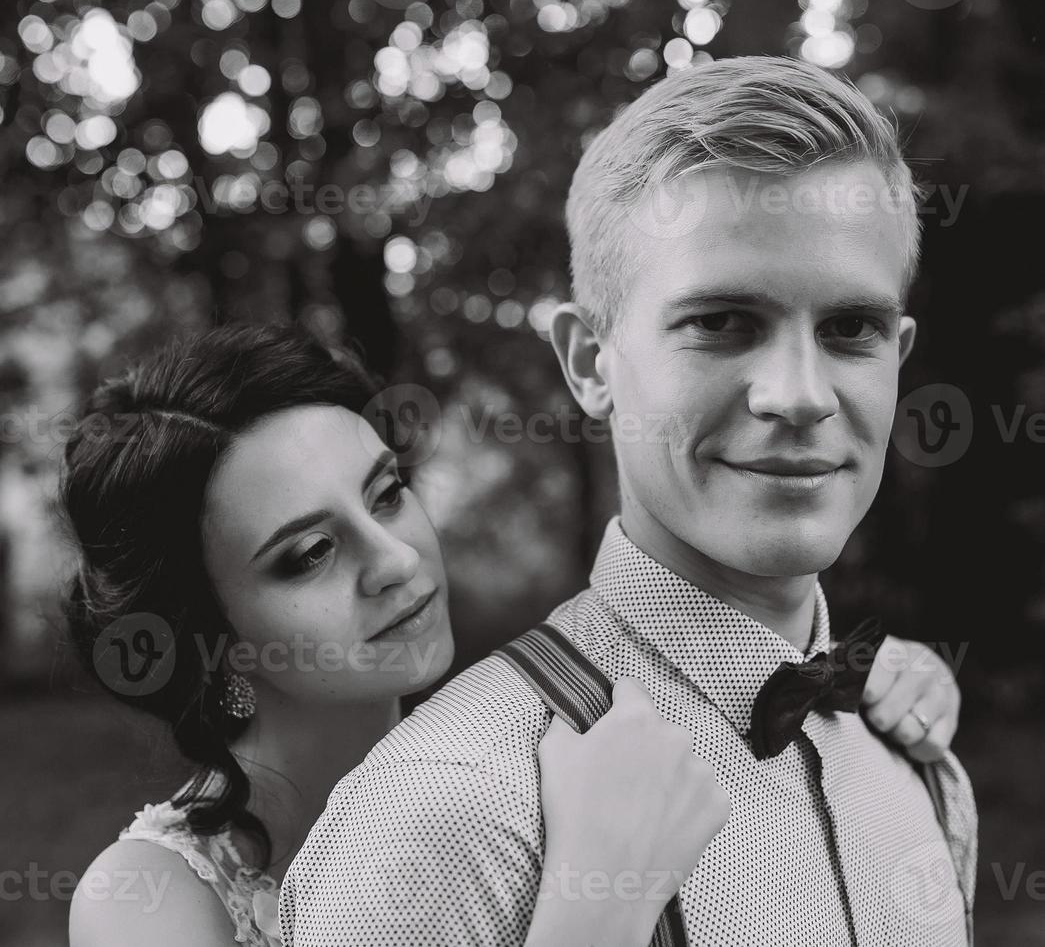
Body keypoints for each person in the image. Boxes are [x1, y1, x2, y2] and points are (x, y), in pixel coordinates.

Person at [279, 57, 977, 947]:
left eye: (850, 329)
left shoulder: (917, 769)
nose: (798, 395)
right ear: (587, 362)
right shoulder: (449, 805)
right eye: (721, 322)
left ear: (898, 354)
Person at [62, 323, 958, 947]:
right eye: (307, 555)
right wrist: (602, 889)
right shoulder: (144, 900)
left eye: (385, 494)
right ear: (211, 636)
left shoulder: (515, 746)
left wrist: (864, 678)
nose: (395, 560)